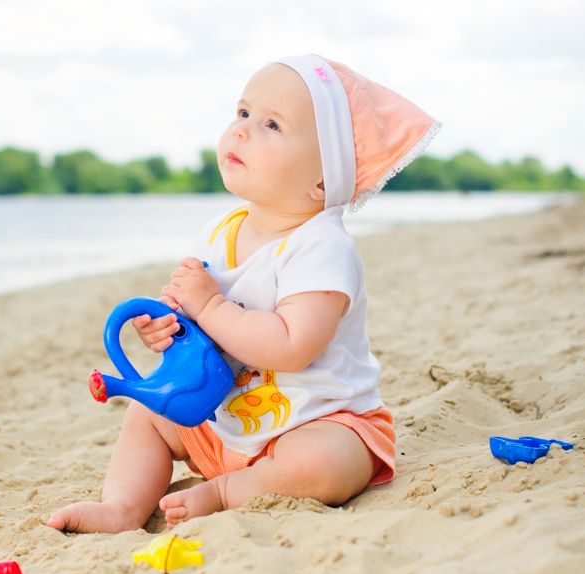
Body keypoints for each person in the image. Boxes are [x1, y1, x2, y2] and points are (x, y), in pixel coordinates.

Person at [46, 54, 440, 533]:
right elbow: (199, 324)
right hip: (225, 424)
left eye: (272, 124)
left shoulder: (322, 247)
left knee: (325, 462)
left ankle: (226, 491)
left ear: (322, 179)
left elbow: (292, 347)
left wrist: (210, 305)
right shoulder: (220, 232)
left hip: (316, 422)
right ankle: (123, 507)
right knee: (146, 416)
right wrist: (171, 328)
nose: (242, 130)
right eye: (242, 113)